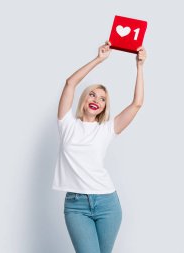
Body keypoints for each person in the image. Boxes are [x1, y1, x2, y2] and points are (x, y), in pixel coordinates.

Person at [53, 41, 146, 253]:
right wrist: (99, 59)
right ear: (84, 99)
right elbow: (70, 83)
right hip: (76, 206)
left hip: (108, 204)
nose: (97, 100)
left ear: (104, 107)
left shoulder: (107, 129)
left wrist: (139, 67)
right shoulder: (66, 123)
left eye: (103, 99)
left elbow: (137, 103)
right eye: (92, 94)